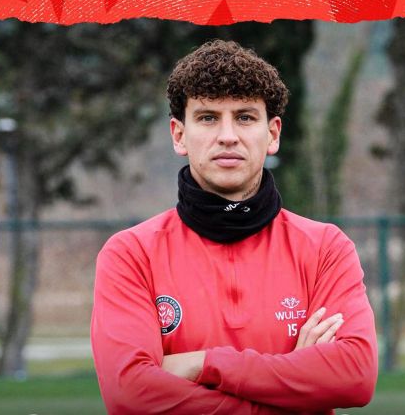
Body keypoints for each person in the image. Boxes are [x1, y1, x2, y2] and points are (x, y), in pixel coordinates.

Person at [91, 39, 378, 414]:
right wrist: (292, 388)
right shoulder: (131, 254)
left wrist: (205, 364)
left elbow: (354, 376)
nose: (228, 135)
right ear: (179, 135)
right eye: (208, 118)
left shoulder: (325, 248)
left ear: (272, 134)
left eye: (245, 117)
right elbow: (129, 393)